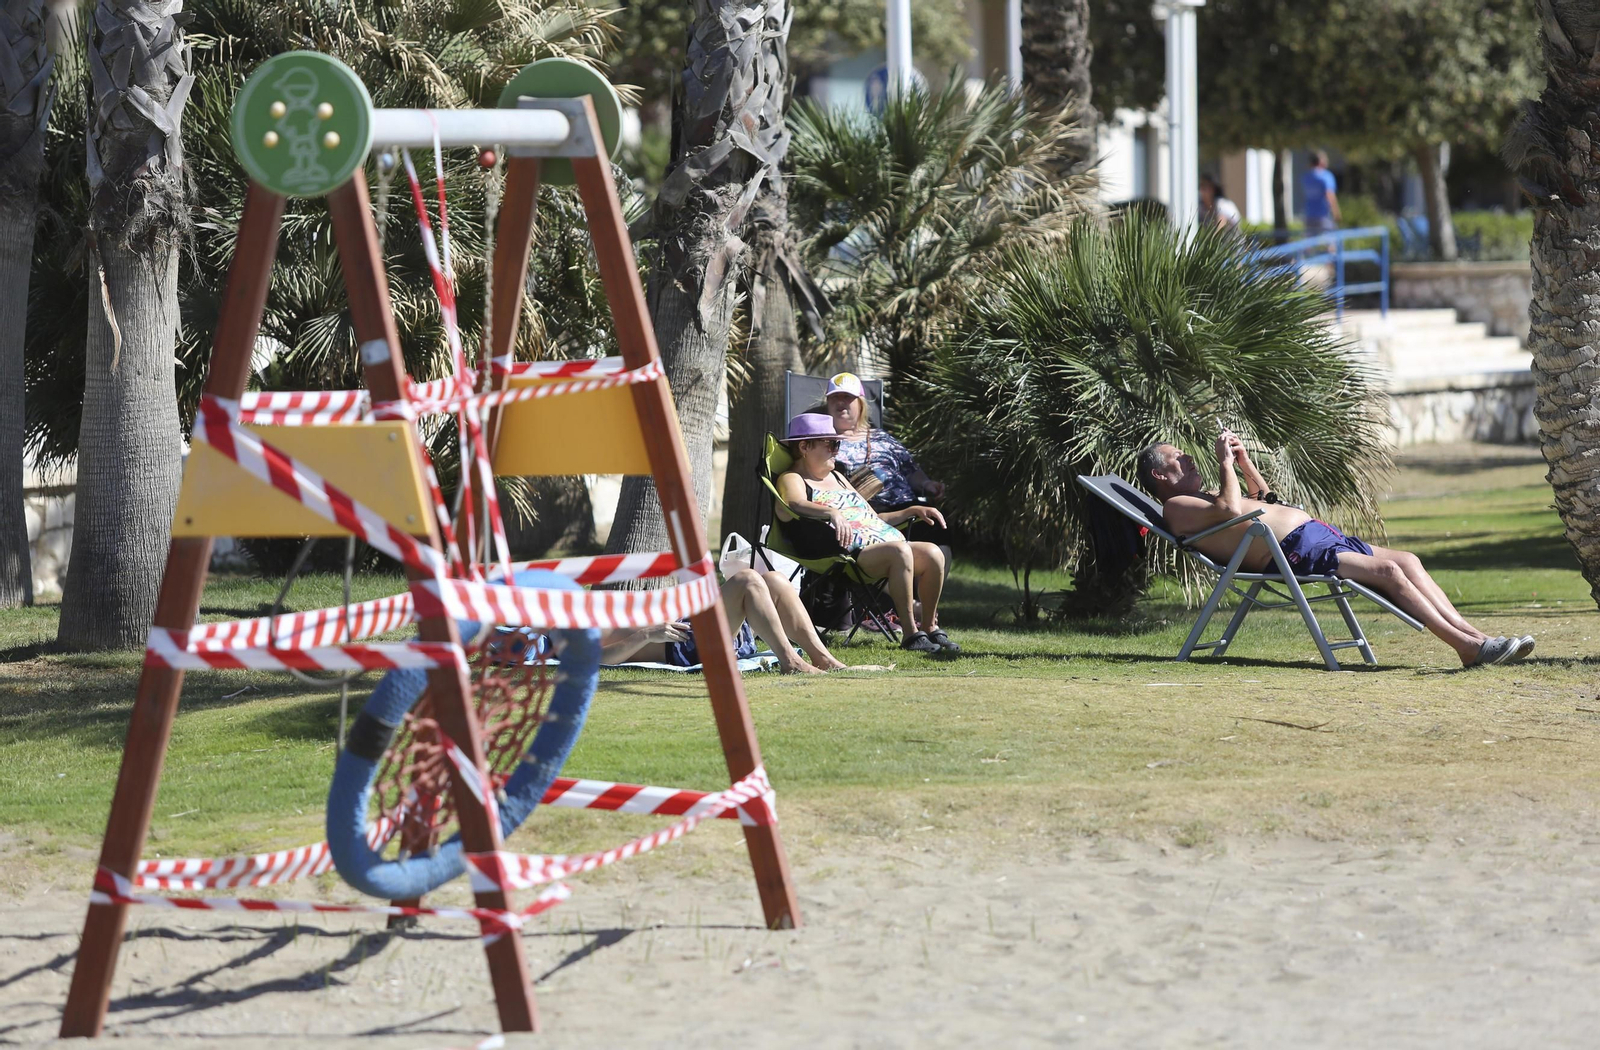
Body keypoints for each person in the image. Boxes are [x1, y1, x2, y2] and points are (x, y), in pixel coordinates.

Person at [1135, 431, 1534, 668]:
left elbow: (1263, 497)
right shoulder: (1176, 507)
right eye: (1178, 458)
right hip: (1291, 550)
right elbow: (1230, 509)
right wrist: (1223, 463)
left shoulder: (1202, 494)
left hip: (1316, 535)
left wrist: (1241, 461)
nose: (1187, 458)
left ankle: (1478, 636)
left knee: (1408, 560)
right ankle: (1467, 649)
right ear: (1159, 474)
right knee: (1389, 575)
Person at [774, 411, 958, 655]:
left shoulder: (838, 477)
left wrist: (911, 510)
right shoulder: (793, 478)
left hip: (881, 542)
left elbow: (874, 518)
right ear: (805, 446)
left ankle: (930, 626)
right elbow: (794, 503)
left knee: (933, 552)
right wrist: (831, 512)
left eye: (836, 443)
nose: (836, 450)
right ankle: (911, 634)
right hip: (848, 554)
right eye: (830, 444)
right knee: (900, 551)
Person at [599, 568, 850, 674]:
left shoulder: (581, 609)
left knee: (774, 580)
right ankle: (791, 661)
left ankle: (824, 659)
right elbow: (598, 659)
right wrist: (646, 635)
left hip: (694, 627)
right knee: (747, 580)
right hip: (685, 645)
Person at [824, 371, 953, 573]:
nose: (841, 402)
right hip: (866, 515)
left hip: (907, 508)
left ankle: (922, 601)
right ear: (827, 403)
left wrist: (927, 484)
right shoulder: (822, 441)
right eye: (835, 397)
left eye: (847, 397)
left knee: (938, 530)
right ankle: (913, 602)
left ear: (860, 404)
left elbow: (909, 469)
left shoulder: (883, 438)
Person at [1301, 150, 1341, 234]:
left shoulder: (1307, 177)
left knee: (1308, 243)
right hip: (1323, 215)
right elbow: (1330, 195)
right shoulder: (1326, 176)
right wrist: (1336, 213)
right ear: (1320, 161)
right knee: (1330, 241)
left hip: (1309, 214)